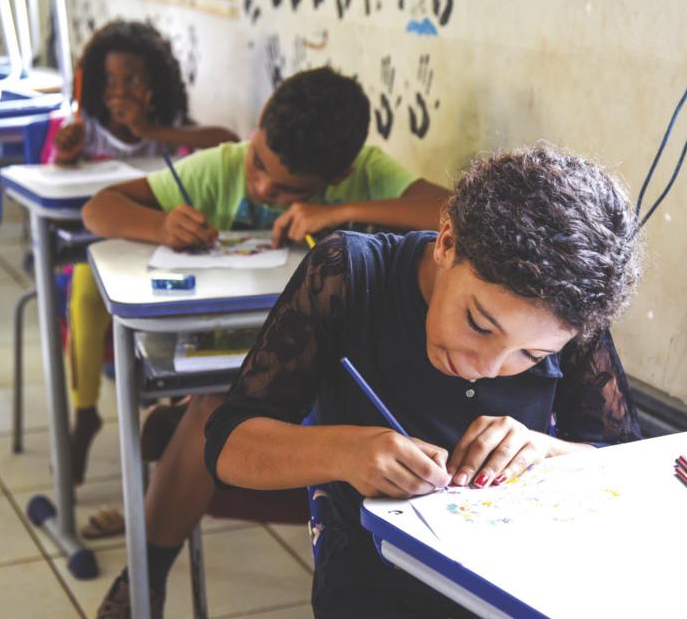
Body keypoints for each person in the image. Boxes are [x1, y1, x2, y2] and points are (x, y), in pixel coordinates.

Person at [204, 145, 644, 618]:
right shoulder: (349, 276)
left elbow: (625, 462)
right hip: (377, 584)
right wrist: (344, 451)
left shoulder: (571, 311)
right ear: (446, 243)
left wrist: (545, 449)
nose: (486, 367)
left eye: (532, 356)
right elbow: (228, 446)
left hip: (518, 582)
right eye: (478, 324)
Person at [84, 66, 451, 618]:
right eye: (260, 166)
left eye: (289, 191)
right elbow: (99, 208)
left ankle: (174, 438)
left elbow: (451, 212)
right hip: (241, 374)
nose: (262, 188)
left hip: (333, 377)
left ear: (342, 173)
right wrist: (161, 227)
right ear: (256, 132)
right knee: (215, 405)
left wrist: (343, 211)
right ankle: (147, 577)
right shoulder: (222, 168)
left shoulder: (366, 176)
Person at [51, 19, 238, 485]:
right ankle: (86, 412)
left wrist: (151, 128)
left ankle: (175, 404)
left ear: (155, 83)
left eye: (132, 79)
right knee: (85, 284)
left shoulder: (169, 131)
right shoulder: (87, 130)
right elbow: (59, 178)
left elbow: (228, 143)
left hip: (164, 254)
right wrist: (65, 157)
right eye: (110, 80)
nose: (120, 90)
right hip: (102, 251)